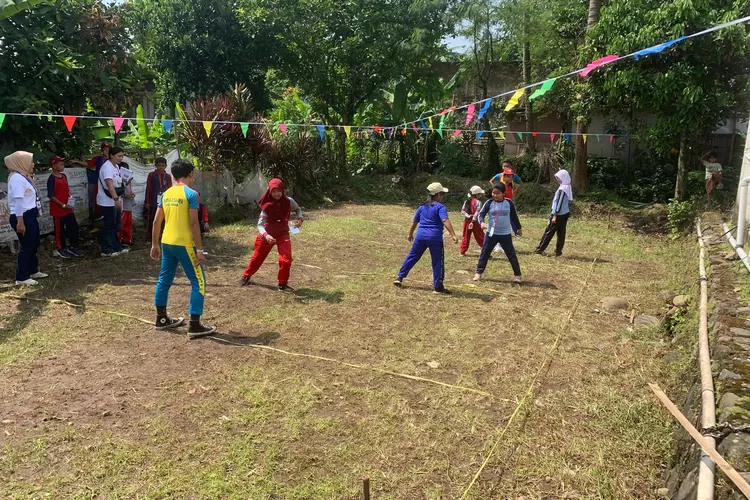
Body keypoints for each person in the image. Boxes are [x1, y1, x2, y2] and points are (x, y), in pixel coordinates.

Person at [150, 159, 216, 338]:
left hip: (167, 242)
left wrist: (155, 244)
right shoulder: (191, 194)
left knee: (164, 280)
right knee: (199, 282)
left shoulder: (166, 194)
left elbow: (157, 221)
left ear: (172, 175)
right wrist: (200, 250)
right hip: (184, 244)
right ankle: (195, 325)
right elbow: (194, 223)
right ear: (191, 175)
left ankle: (161, 319)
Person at [393, 182, 459, 294]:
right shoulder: (440, 207)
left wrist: (410, 234)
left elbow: (414, 222)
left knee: (413, 256)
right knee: (437, 261)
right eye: (442, 194)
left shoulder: (422, 207)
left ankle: (399, 277)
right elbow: (445, 220)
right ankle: (438, 287)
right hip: (434, 238)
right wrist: (453, 234)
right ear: (437, 195)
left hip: (421, 236)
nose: (443, 196)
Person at [241, 178, 303, 292]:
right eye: (273, 191)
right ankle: (246, 275)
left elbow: (298, 209)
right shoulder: (267, 205)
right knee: (257, 257)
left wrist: (300, 219)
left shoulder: (289, 201)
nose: (276, 194)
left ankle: (282, 284)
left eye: (278, 190)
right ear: (269, 191)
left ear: (282, 190)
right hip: (267, 235)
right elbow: (260, 225)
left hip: (283, 234)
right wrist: (266, 235)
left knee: (286, 259)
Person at [5, 151, 48, 286]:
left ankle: (33, 270)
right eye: (31, 162)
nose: (33, 164)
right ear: (21, 163)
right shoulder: (17, 179)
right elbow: (18, 202)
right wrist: (20, 222)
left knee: (34, 243)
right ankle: (22, 276)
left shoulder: (24, 177)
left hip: (29, 215)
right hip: (22, 216)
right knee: (27, 246)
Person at [473, 183, 523, 283]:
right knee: (485, 253)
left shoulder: (509, 203)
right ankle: (478, 273)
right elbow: (481, 215)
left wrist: (518, 228)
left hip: (505, 234)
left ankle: (517, 275)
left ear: (504, 193)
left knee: (511, 254)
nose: (495, 195)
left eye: (498, 193)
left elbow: (514, 216)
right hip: (491, 234)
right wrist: (482, 222)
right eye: (493, 193)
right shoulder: (489, 203)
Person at [47, 155, 83, 258]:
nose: (63, 165)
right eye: (60, 164)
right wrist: (62, 205)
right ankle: (61, 248)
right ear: (54, 166)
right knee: (60, 230)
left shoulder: (64, 176)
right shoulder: (52, 179)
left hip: (68, 208)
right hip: (58, 209)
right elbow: (51, 196)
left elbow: (67, 190)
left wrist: (70, 200)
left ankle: (73, 247)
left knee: (74, 227)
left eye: (63, 163)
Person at [97, 146, 128, 257]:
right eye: (119, 156)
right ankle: (106, 249)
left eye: (122, 156)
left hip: (116, 199)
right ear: (111, 155)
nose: (121, 158)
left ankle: (117, 246)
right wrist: (116, 199)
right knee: (109, 225)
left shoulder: (116, 167)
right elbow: (110, 185)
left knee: (116, 224)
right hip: (108, 201)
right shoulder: (107, 167)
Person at [535, 169, 573, 257]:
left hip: (558, 214)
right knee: (561, 233)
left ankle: (540, 250)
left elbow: (559, 203)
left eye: (559, 178)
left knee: (549, 232)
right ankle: (558, 251)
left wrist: (555, 215)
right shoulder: (567, 187)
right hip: (565, 213)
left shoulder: (563, 189)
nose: (558, 180)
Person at [490, 161, 523, 251]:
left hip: (507, 205)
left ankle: (502, 244)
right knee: (499, 224)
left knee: (506, 224)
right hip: (502, 207)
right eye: (509, 176)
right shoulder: (503, 186)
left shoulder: (508, 185)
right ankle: (497, 244)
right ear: (505, 176)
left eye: (512, 176)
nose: (511, 177)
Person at [145, 157, 173, 243]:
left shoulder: (168, 176)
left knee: (164, 219)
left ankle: (163, 236)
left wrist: (171, 201)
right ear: (155, 166)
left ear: (166, 166)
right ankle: (150, 237)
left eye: (162, 165)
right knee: (153, 219)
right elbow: (148, 188)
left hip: (165, 201)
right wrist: (147, 201)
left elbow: (170, 189)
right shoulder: (151, 175)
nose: (160, 167)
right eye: (159, 165)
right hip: (153, 200)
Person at [86, 143, 110, 222]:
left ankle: (107, 214)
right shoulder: (98, 159)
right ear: (102, 150)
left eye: (108, 149)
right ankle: (98, 214)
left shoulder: (112, 159)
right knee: (97, 197)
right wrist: (77, 162)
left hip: (109, 182)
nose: (107, 151)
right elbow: (88, 164)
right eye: (105, 149)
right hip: (99, 182)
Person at [460, 185, 485, 256]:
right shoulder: (478, 202)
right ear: (477, 194)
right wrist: (473, 220)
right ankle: (485, 250)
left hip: (467, 221)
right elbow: (477, 212)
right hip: (475, 222)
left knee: (466, 236)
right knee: (480, 236)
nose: (480, 196)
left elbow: (462, 211)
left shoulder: (466, 201)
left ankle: (462, 251)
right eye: (480, 194)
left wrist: (469, 216)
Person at [118, 161, 136, 246]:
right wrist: (126, 195)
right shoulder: (117, 179)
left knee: (128, 223)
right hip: (122, 205)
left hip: (128, 205)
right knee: (122, 223)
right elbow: (118, 192)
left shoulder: (128, 180)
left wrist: (131, 194)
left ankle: (127, 239)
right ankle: (120, 240)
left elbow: (129, 189)